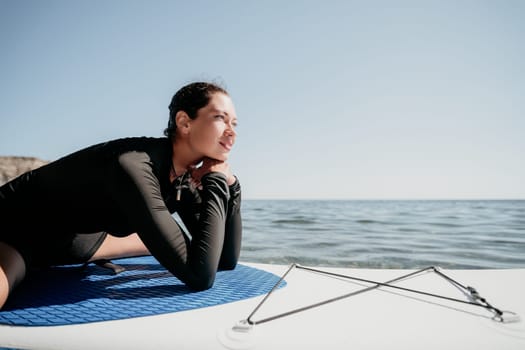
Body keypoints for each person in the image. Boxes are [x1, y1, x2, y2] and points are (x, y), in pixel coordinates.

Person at [0, 81, 242, 309]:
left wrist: (231, 185)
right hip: (16, 230)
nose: (232, 132)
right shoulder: (133, 166)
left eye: (235, 123)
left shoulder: (182, 177)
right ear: (184, 122)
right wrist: (217, 180)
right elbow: (199, 277)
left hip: (73, 241)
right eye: (221, 118)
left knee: (172, 245)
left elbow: (224, 259)